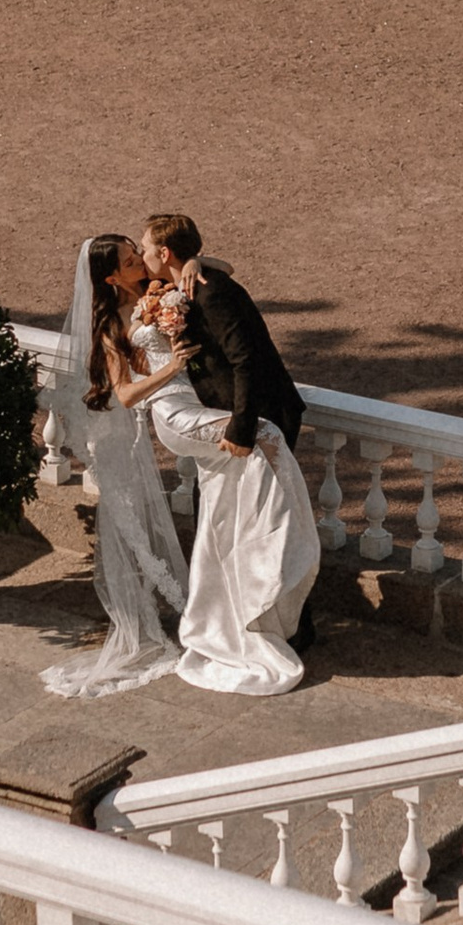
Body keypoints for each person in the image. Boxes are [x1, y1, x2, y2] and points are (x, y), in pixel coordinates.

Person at [139, 213, 319, 696]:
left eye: (146, 248)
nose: (141, 255)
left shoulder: (210, 291)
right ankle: (250, 619)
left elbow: (247, 361)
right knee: (222, 520)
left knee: (267, 526)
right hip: (218, 422)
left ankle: (289, 627)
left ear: (165, 253)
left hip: (261, 420)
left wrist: (242, 428)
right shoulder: (184, 283)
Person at [41, 233, 188, 699]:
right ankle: (146, 621)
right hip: (114, 443)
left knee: (143, 522)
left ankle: (161, 611)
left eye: (134, 255)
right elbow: (124, 394)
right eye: (129, 262)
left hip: (130, 439)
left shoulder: (143, 302)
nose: (139, 266)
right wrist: (172, 368)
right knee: (130, 528)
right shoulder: (106, 327)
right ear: (110, 277)